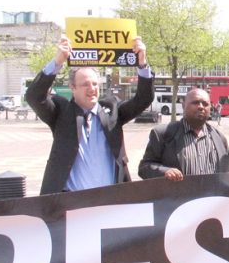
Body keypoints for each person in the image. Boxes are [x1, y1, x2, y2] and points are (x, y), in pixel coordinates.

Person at [25, 35, 153, 194]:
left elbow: (143, 99)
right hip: (70, 203)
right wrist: (57, 62)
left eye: (94, 84)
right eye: (85, 84)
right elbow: (34, 96)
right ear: (72, 87)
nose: (92, 89)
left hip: (111, 200)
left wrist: (142, 63)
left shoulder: (112, 110)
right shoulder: (61, 112)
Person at [138, 88, 228, 181]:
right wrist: (164, 171)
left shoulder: (219, 138)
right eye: (195, 102)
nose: (201, 107)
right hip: (178, 195)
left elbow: (227, 171)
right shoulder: (162, 134)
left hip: (212, 195)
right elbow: (144, 168)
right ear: (183, 105)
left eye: (205, 104)